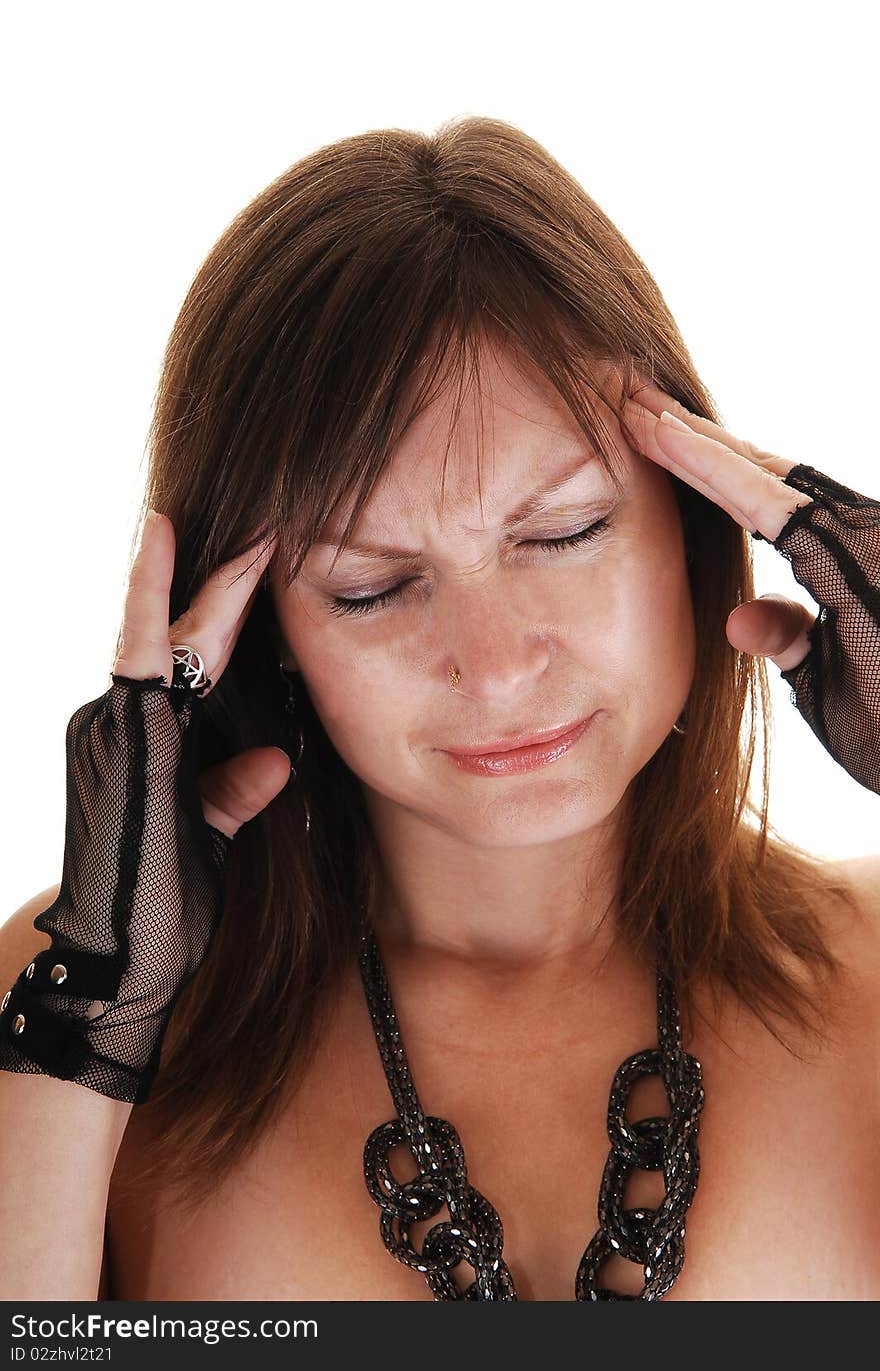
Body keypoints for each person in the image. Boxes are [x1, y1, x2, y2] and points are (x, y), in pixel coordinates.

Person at [1, 116, 878, 1303]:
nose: (497, 663)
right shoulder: (73, 1007)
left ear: (693, 517)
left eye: (562, 533)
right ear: (266, 634)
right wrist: (89, 1027)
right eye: (372, 587)